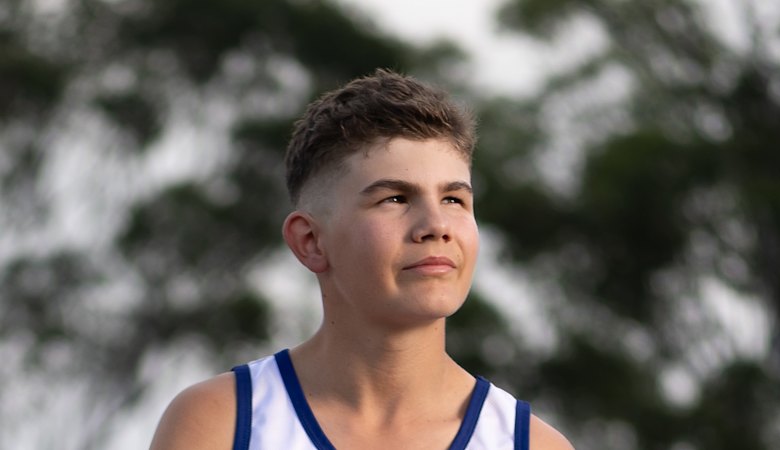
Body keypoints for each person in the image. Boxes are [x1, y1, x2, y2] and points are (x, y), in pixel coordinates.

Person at [150, 69, 573, 450]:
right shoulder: (220, 424)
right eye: (395, 198)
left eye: (453, 198)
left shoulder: (531, 444)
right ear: (310, 241)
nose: (436, 224)